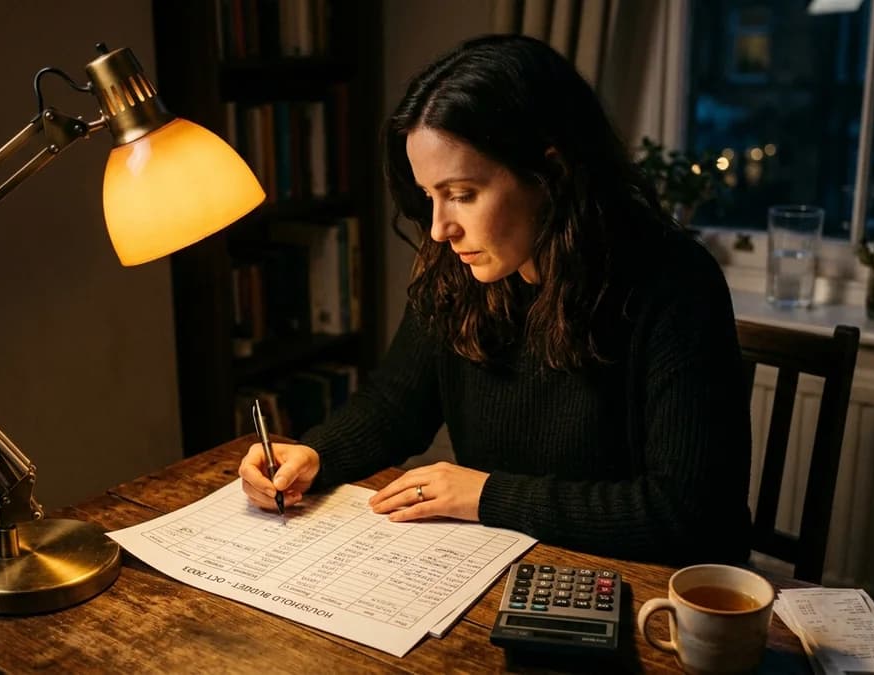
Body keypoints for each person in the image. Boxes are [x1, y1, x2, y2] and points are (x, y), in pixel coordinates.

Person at [240, 34, 752, 565]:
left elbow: (687, 513)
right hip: (508, 559)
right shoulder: (458, 269)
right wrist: (316, 454)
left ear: (551, 174)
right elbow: (395, 405)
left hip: (646, 584)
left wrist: (486, 495)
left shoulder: (675, 283)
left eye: (462, 195)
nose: (439, 229)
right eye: (429, 195)